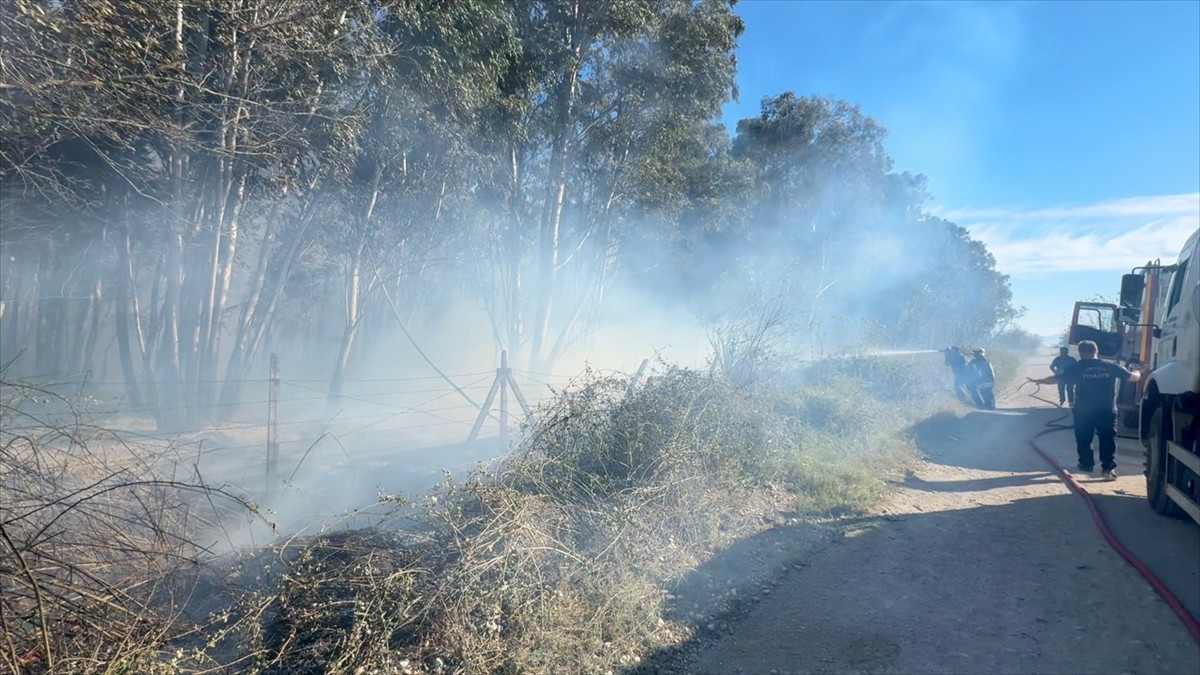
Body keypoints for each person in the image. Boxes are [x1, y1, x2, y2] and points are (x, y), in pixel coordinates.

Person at [1026, 339, 1141, 481]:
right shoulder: (1110, 366)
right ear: (1097, 351)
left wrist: (1039, 381)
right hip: (1106, 409)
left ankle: (1086, 465)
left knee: (1084, 438)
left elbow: (1057, 379)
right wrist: (1138, 371)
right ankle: (1107, 469)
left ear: (1080, 353)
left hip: (1083, 410)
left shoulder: (1076, 368)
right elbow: (1132, 378)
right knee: (1107, 438)